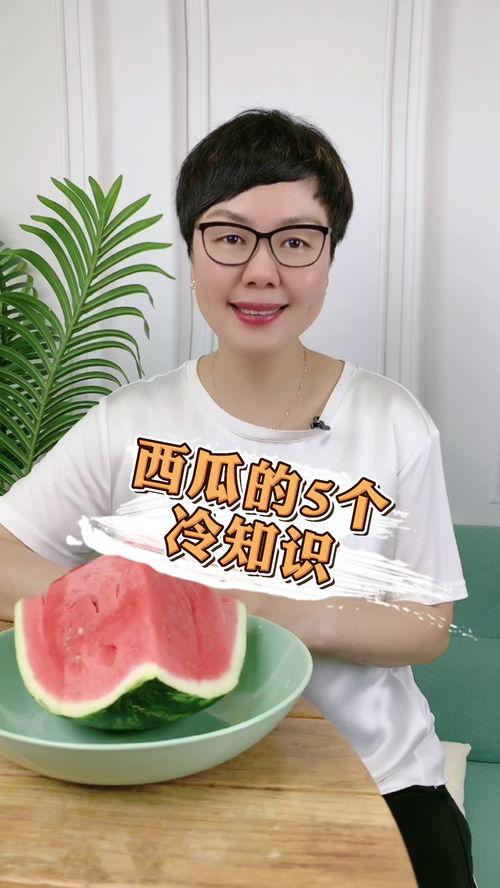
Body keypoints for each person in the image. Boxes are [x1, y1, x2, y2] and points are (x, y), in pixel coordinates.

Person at [0, 108, 475, 886]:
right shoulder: (128, 421)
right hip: (173, 785)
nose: (260, 272)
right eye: (228, 237)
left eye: (296, 241)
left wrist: (257, 609)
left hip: (378, 785)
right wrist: (130, 606)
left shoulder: (394, 424)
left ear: (328, 256)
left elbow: (427, 626)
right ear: (191, 251)